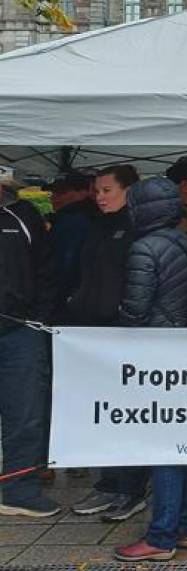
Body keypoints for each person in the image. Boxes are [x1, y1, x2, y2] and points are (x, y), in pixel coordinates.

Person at [114, 177, 187, 561]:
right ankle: (185, 526)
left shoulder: (144, 248)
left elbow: (135, 309)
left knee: (165, 444)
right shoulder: (186, 242)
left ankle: (161, 536)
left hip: (159, 357)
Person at [67, 165, 152, 522]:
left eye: (106, 190)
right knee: (103, 413)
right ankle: (109, 483)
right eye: (96, 191)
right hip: (93, 335)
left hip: (126, 336)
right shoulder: (97, 227)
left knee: (128, 414)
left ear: (128, 191)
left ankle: (130, 489)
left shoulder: (137, 230)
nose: (99, 196)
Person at [0, 175, 60, 518]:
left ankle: (19, 490)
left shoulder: (25, 214)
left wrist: (37, 317)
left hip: (20, 331)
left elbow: (46, 271)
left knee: (25, 415)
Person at [45, 170, 98, 316]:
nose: (54, 197)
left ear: (83, 192)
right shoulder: (70, 218)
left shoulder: (74, 220)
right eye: (53, 192)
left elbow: (65, 263)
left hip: (67, 299)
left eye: (61, 192)